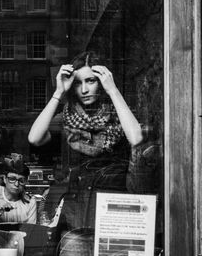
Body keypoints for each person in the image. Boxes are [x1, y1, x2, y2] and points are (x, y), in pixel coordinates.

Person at [28, 51, 143, 231]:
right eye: (77, 83)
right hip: (77, 212)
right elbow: (34, 138)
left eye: (90, 81)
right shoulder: (67, 119)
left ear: (102, 81)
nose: (84, 90)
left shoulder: (118, 114)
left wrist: (112, 90)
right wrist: (58, 92)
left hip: (114, 210)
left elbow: (136, 138)